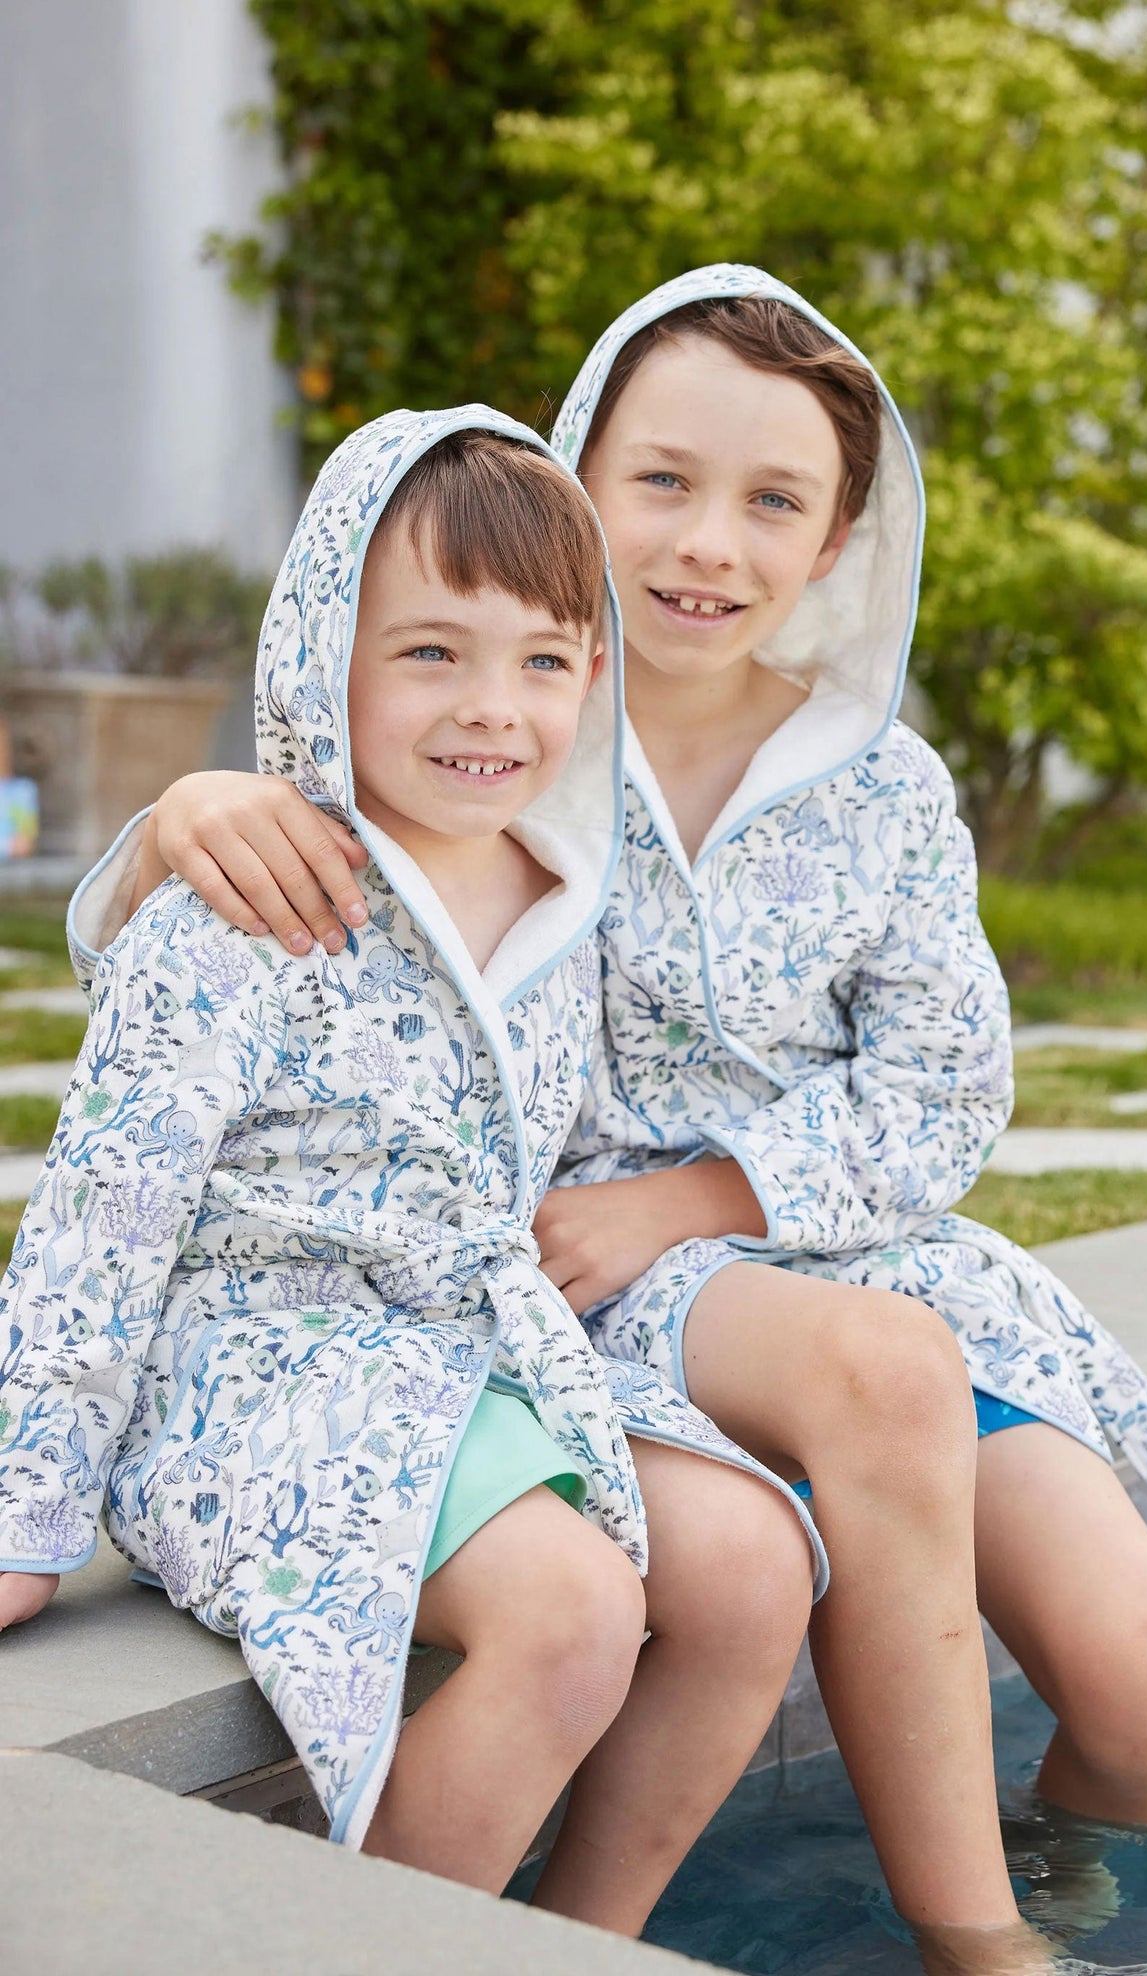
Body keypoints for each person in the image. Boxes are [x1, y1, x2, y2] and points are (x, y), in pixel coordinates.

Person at [67, 269, 1147, 1967]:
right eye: (660, 480)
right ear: (572, 475)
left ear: (834, 543)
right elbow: (274, 934)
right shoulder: (503, 722)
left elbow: (946, 1086)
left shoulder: (883, 788)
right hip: (573, 1259)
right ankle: (965, 1941)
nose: (705, 543)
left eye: (774, 502)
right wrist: (182, 809)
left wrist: (704, 1195)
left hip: (830, 1250)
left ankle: (1070, 1900)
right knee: (846, 1421)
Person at [0, 406, 818, 1937]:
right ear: (327, 654)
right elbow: (99, 1222)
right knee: (572, 1615)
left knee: (757, 1563)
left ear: (593, 669)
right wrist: (23, 1512)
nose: (490, 709)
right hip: (255, 1364)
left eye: (542, 660)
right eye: (430, 653)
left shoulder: (565, 893)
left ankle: (581, 1937)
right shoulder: (244, 905)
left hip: (475, 1350)